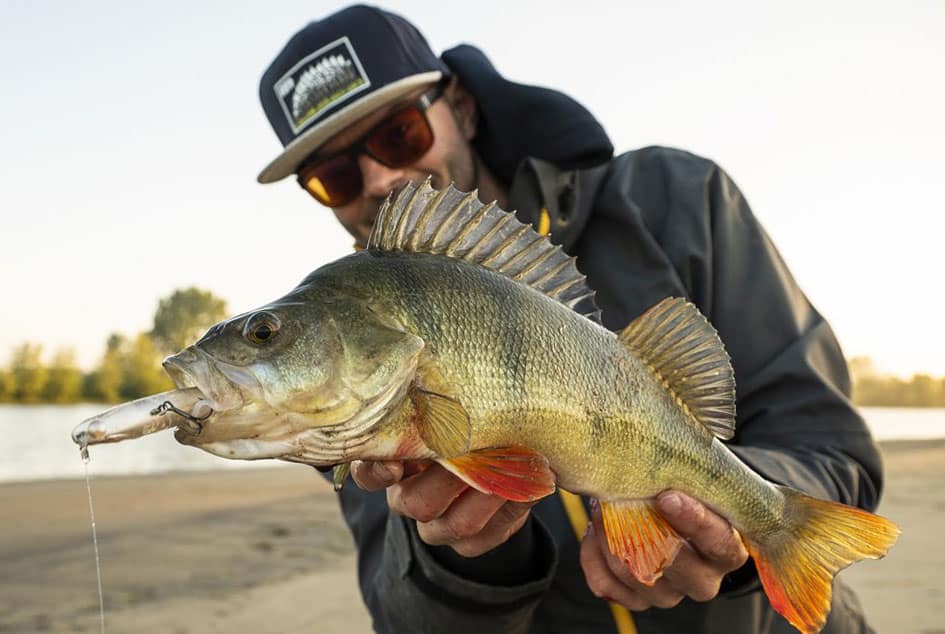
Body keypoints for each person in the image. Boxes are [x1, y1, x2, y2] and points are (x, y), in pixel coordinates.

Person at [255, 6, 884, 634]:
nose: (382, 178)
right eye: (332, 177)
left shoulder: (677, 198)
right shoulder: (342, 363)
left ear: (462, 107)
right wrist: (471, 558)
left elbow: (835, 456)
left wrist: (735, 531)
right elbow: (405, 620)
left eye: (400, 134)